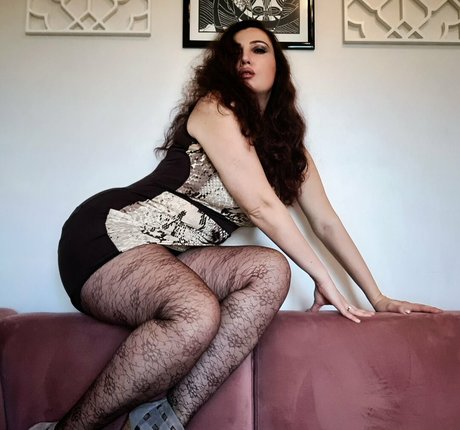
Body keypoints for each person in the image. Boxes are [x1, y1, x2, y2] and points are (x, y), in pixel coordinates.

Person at [30, 19, 441, 430]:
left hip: (165, 257)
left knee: (271, 269)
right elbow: (261, 206)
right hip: (107, 235)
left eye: (259, 49)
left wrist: (378, 297)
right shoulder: (216, 108)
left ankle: (162, 419)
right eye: (235, 53)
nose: (245, 58)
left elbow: (326, 223)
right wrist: (322, 277)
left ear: (278, 65)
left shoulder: (289, 153)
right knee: (197, 312)